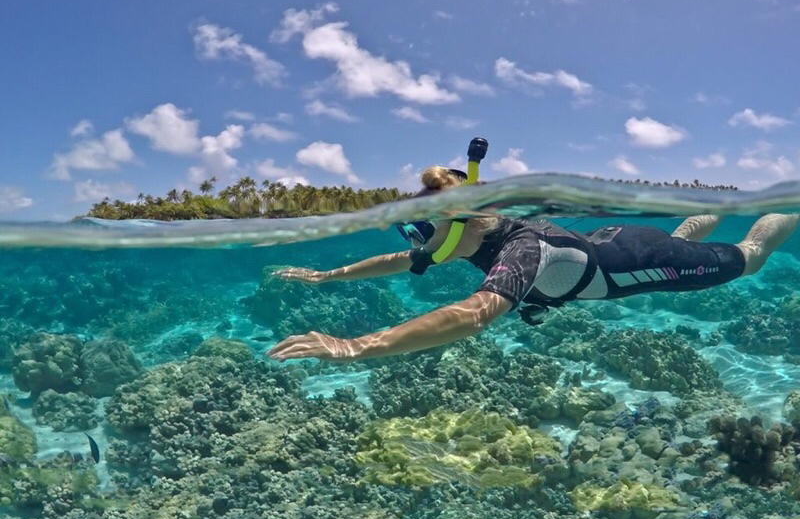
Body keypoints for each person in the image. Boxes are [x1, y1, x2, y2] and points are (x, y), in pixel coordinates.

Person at [268, 154, 799, 364]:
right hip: (613, 238)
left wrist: (357, 347)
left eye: (419, 230)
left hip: (643, 256)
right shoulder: (475, 239)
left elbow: (476, 315)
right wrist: (325, 276)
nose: (414, 240)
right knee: (688, 235)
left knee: (750, 258)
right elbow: (398, 261)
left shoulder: (520, 251)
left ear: (460, 226)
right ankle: (692, 229)